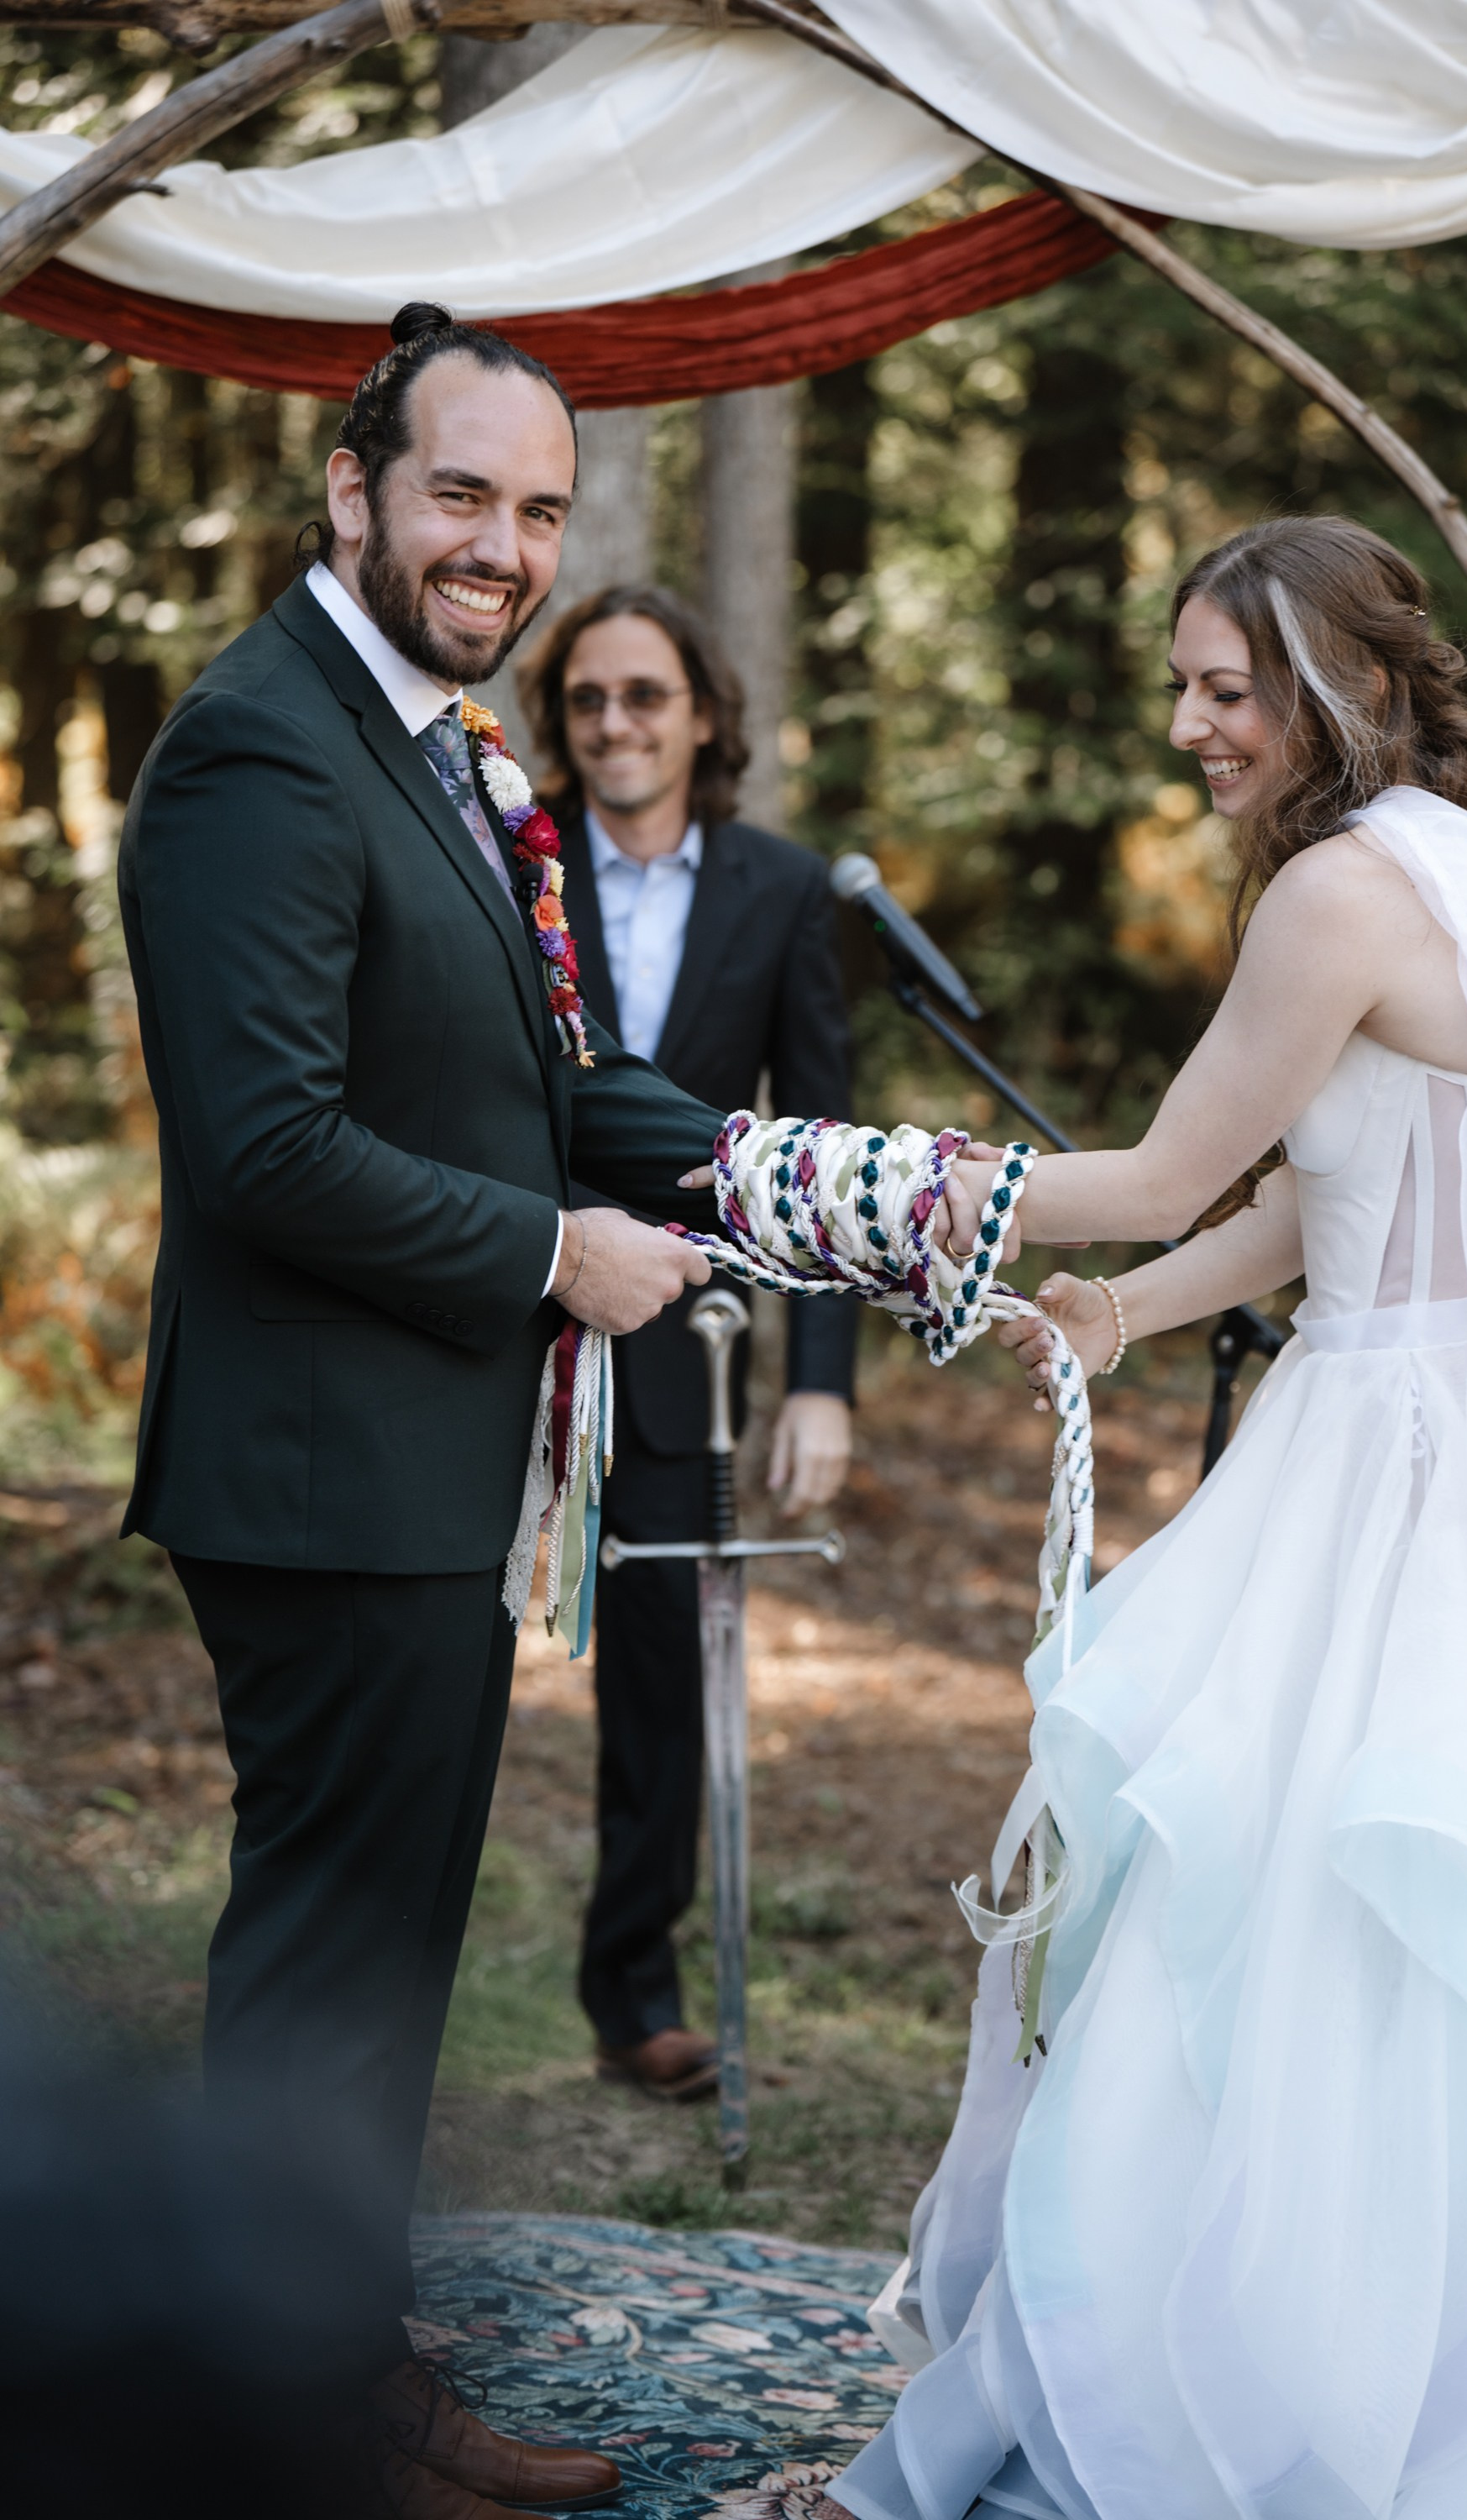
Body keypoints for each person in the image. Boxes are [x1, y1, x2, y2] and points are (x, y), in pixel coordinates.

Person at [824, 515, 1467, 2519]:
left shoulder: (1327, 895)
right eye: (1185, 688)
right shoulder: (1461, 874)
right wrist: (1133, 1313)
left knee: (1284, 1921)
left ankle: (1251, 2392)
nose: (1192, 727)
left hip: (1390, 1475)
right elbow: (1328, 1178)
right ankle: (1397, 2364)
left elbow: (1157, 1166)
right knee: (1387, 1938)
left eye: (1230, 688)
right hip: (1448, 1434)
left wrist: (856, 1189)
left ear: (1350, 691)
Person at [118, 302, 728, 2519]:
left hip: (410, 1463)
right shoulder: (263, 746)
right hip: (320, 1469)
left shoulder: (435, 741)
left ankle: (320, 2374)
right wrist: (558, 1252)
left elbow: (541, 1082)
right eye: (463, 493)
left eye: (541, 510)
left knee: (376, 1959)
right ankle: (288, 2418)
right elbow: (264, 1143)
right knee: (330, 1965)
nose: (504, 546)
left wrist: (771, 1170)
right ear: (354, 493)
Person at [517, 585, 855, 2102]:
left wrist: (822, 1383)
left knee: (661, 1684)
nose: (614, 725)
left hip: (680, 1356)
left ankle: (634, 1993)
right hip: (487, 1306)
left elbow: (825, 1146)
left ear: (703, 716)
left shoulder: (786, 894)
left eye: (645, 696)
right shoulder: (507, 874)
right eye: (588, 700)